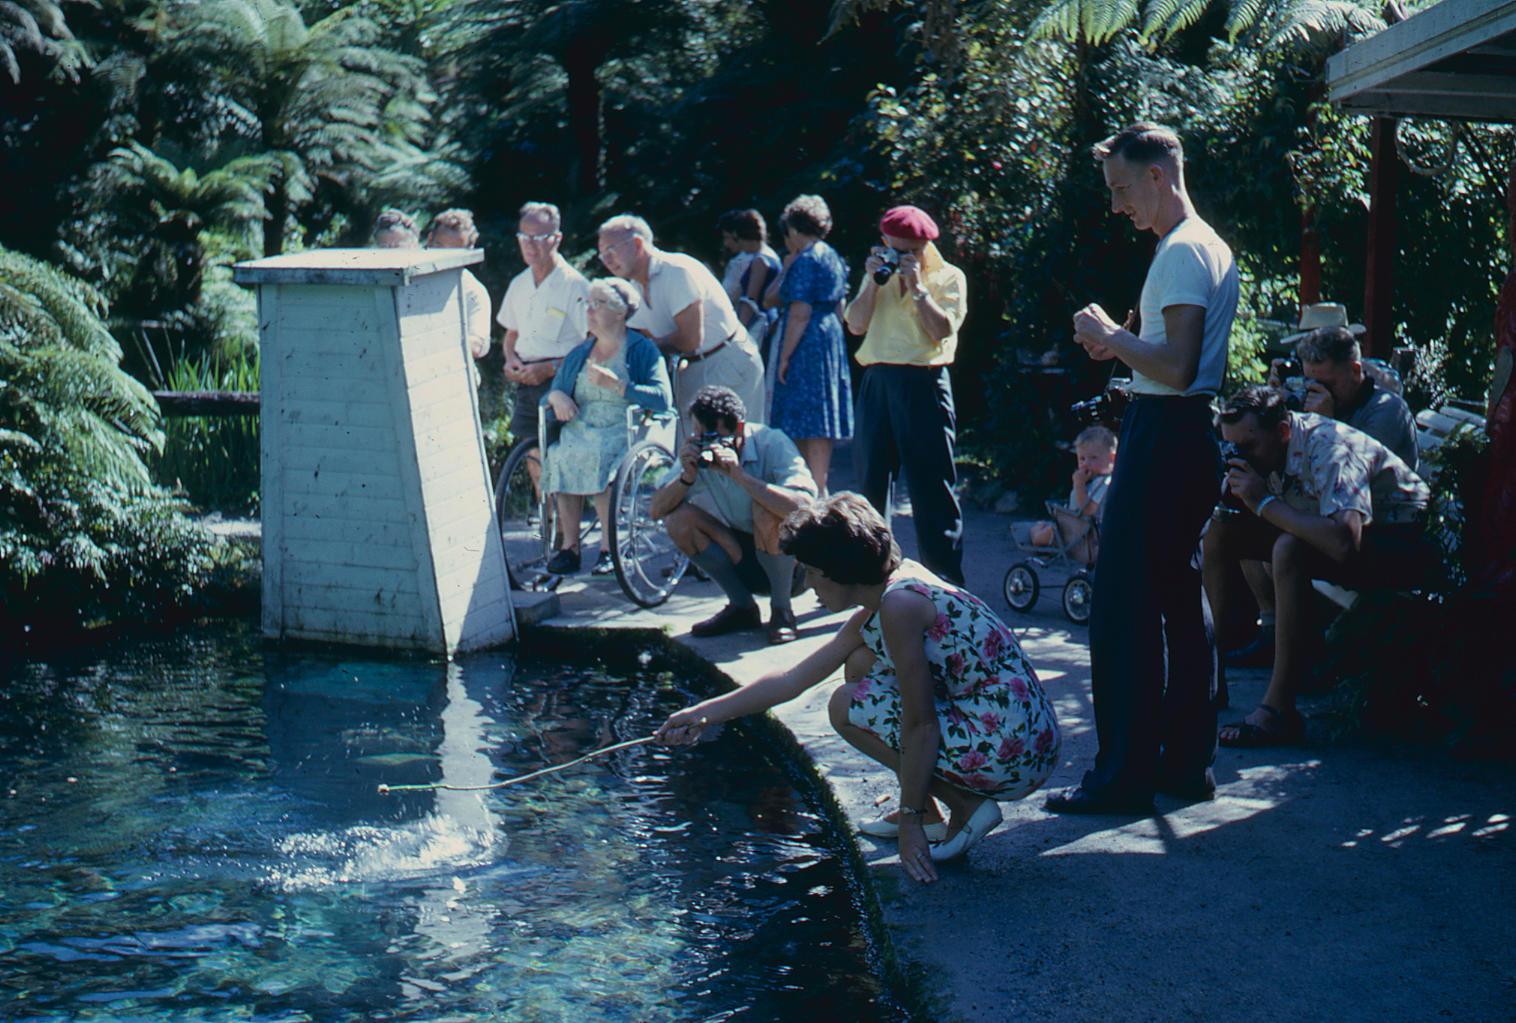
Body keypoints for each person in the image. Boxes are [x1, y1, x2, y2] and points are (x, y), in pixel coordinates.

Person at [655, 493, 1061, 882]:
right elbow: (791, 679)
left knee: (845, 705)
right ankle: (933, 813)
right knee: (861, 663)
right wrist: (701, 714)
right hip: (1028, 733)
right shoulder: (895, 588)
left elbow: (921, 724)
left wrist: (908, 821)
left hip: (1010, 751)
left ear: (838, 569)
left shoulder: (898, 608)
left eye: (810, 571)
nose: (808, 583)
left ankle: (963, 805)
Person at [1045, 123, 1238, 815]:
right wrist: (1123, 346)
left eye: (1123, 188)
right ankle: (1185, 764)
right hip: (1186, 433)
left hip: (1165, 434)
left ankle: (1122, 776)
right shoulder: (1205, 243)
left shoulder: (1182, 251)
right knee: (1179, 597)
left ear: (1158, 175)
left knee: (1123, 605)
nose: (1117, 204)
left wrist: (1109, 335)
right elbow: (1173, 361)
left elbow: (1178, 367)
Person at [1203, 386, 1437, 746]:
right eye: (1231, 447)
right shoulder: (1269, 447)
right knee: (1221, 529)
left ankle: (1278, 711)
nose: (1240, 457)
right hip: (1333, 528)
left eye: (1248, 447)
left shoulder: (1331, 448)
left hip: (1402, 541)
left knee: (1290, 548)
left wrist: (1263, 502)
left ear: (1283, 432)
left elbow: (1345, 542)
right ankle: (1208, 680)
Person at [1230, 324, 1422, 666]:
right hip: (1326, 513)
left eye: (1327, 383)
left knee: (1286, 542)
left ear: (1355, 371)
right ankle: (1263, 633)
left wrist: (1327, 419)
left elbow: (1351, 483)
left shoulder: (1386, 410)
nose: (1317, 392)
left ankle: (1297, 662)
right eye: (1310, 383)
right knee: (1234, 526)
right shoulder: (1321, 406)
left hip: (1384, 530)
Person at [844, 205, 969, 585]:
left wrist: (917, 287)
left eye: (911, 251)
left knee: (932, 487)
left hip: (923, 381)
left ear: (926, 245)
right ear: (883, 242)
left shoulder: (949, 276)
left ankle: (944, 582)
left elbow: (942, 330)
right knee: (871, 485)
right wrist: (872, 283)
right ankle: (871, 578)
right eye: (895, 249)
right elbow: (855, 325)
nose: (902, 258)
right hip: (878, 380)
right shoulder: (877, 274)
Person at [649, 386, 816, 644]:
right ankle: (742, 607)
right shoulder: (699, 450)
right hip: (745, 549)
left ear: (738, 428)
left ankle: (782, 610)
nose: (706, 443)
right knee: (679, 520)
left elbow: (804, 508)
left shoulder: (772, 442)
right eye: (698, 434)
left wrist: (740, 477)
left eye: (713, 436)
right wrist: (685, 478)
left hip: (796, 562)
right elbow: (656, 510)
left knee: (766, 510)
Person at [596, 214, 767, 449]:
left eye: (611, 250)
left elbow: (690, 339)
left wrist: (645, 349)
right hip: (690, 369)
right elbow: (637, 336)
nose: (607, 260)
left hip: (729, 363)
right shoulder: (634, 288)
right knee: (692, 454)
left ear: (637, 244)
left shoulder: (677, 271)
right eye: (602, 254)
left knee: (741, 449)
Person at [540, 278, 673, 575]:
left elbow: (663, 398)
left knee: (600, 457)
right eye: (587, 304)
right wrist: (557, 396)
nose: (588, 311)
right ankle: (570, 548)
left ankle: (609, 549)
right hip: (581, 426)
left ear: (620, 312)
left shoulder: (643, 350)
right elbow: (550, 393)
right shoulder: (580, 353)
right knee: (560, 454)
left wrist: (618, 385)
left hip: (627, 427)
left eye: (597, 304)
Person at [498, 202, 591, 493]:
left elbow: (594, 343)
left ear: (557, 239)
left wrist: (550, 368)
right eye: (524, 236)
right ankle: (547, 518)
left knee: (561, 461)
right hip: (527, 382)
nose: (530, 244)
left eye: (539, 237)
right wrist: (510, 360)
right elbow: (511, 334)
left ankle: (566, 522)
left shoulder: (575, 285)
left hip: (564, 383)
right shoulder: (519, 283)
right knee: (534, 457)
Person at [763, 195, 852, 494]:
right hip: (829, 337)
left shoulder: (805, 260)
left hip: (806, 340)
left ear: (793, 228)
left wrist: (785, 357)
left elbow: (799, 313)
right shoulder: (831, 256)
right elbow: (839, 305)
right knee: (819, 415)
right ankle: (818, 485)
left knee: (807, 417)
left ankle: (812, 489)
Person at [1028, 425, 1118, 548]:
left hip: (1083, 535)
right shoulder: (1099, 480)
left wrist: (1079, 484)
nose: (1086, 463)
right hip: (1080, 529)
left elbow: (1087, 510)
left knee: (1038, 536)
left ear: (1112, 458)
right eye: (1082, 458)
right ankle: (1041, 527)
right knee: (1045, 527)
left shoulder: (1104, 483)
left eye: (1093, 458)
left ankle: (1036, 531)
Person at [425, 208, 492, 372]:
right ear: (429, 239)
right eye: (439, 247)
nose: (444, 257)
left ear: (469, 251)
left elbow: (477, 344)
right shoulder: (407, 281)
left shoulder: (474, 291)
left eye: (454, 252)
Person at [717, 208, 781, 354]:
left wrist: (739, 333)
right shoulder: (772, 257)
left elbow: (750, 301)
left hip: (758, 323)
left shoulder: (760, 261)